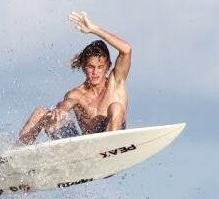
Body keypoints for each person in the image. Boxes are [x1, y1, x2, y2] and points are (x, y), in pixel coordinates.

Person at [16, 11, 132, 144]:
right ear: (84, 67)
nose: (95, 72)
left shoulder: (116, 82)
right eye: (91, 67)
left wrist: (94, 29)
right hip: (85, 147)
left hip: (111, 142)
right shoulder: (78, 94)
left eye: (100, 67)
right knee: (41, 113)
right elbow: (66, 104)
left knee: (116, 107)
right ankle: (16, 153)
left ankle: (109, 145)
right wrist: (59, 111)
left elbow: (126, 50)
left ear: (107, 67)